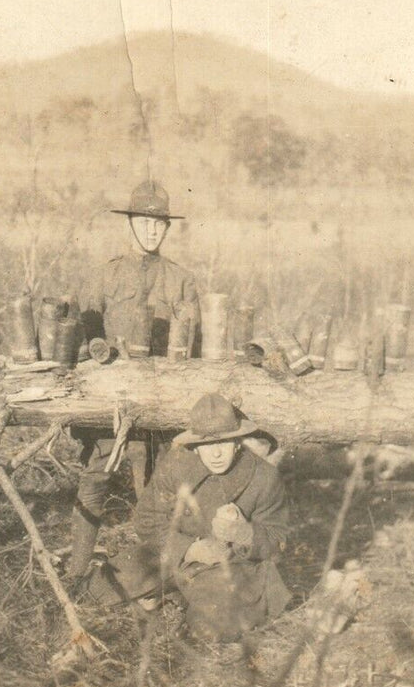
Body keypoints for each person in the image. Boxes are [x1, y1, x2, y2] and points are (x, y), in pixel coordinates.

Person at [67, 180, 200, 581]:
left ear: (168, 228)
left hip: (160, 400)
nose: (151, 230)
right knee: (95, 478)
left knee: (155, 489)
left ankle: (153, 577)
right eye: (144, 221)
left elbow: (193, 347)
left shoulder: (181, 280)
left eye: (159, 223)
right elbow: (85, 333)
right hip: (112, 398)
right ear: (130, 224)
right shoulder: (104, 275)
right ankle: (76, 570)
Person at [86, 393, 292, 643]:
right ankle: (175, 593)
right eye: (207, 444)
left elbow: (278, 541)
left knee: (210, 630)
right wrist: (189, 549)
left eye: (224, 442)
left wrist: (244, 533)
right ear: (194, 446)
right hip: (174, 557)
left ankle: (181, 597)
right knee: (97, 590)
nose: (216, 454)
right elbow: (147, 520)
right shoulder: (176, 465)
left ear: (238, 442)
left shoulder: (264, 477)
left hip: (229, 568)